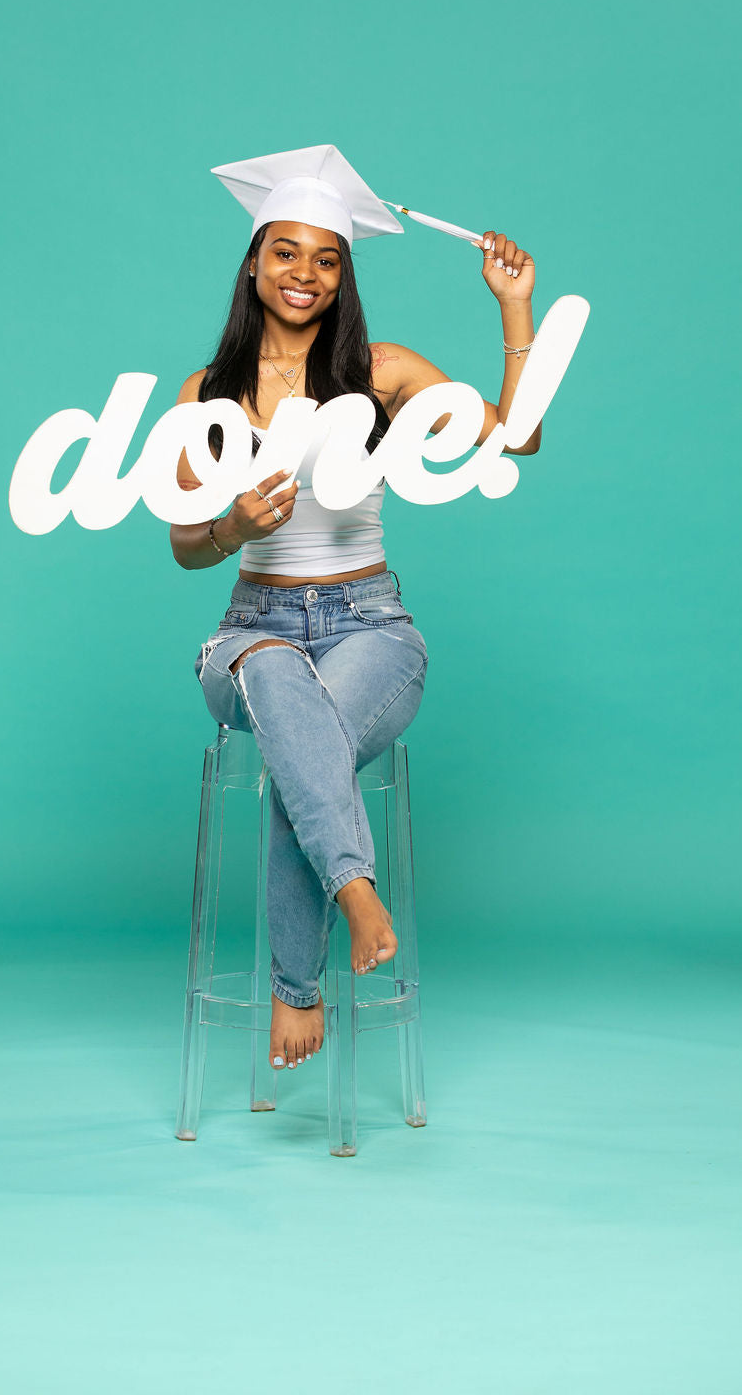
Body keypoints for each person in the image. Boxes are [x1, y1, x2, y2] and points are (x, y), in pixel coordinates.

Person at [168, 145, 541, 1076]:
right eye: (286, 253)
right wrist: (231, 524)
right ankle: (356, 891)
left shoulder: (385, 372)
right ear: (254, 262)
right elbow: (183, 544)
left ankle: (299, 987)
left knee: (306, 755)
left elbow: (520, 437)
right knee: (275, 676)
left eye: (326, 258)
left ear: (344, 274)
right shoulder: (204, 395)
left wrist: (513, 303)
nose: (305, 275)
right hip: (251, 630)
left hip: (371, 627)